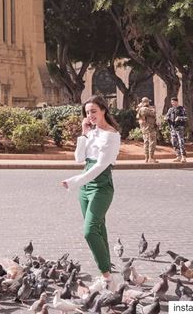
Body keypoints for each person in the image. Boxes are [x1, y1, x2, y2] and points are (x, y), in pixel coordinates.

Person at [61, 95, 121, 287]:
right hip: (86, 187)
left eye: (94, 111)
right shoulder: (92, 132)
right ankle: (107, 276)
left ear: (103, 110)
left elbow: (100, 166)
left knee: (89, 231)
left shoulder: (112, 135)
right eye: (87, 113)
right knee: (99, 230)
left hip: (101, 187)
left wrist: (74, 181)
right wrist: (84, 134)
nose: (90, 115)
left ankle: (106, 277)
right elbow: (79, 159)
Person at [165, 97, 187, 162]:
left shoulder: (181, 109)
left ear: (177, 102)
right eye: (172, 102)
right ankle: (178, 156)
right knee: (174, 142)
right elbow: (167, 116)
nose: (173, 103)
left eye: (174, 102)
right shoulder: (170, 110)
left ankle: (183, 157)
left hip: (179, 128)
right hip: (173, 128)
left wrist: (179, 118)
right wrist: (166, 118)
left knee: (181, 142)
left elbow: (185, 117)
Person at [136, 97, 158, 163]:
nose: (149, 103)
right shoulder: (144, 109)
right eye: (148, 102)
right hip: (149, 128)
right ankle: (151, 158)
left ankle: (147, 158)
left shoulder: (140, 109)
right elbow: (154, 113)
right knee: (152, 143)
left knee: (146, 143)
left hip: (145, 128)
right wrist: (152, 109)